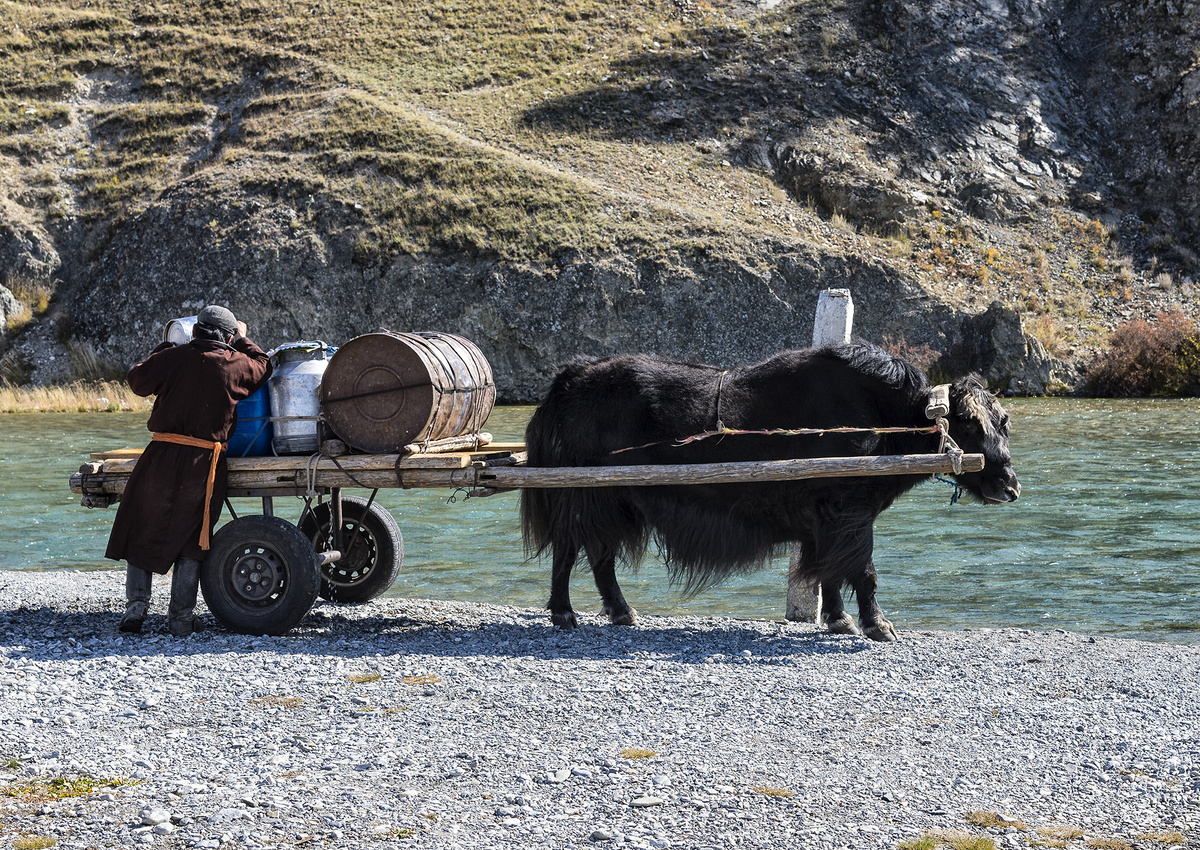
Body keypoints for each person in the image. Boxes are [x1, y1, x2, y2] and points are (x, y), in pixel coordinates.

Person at [106, 305, 273, 636]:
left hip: (162, 455)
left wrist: (166, 345)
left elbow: (136, 379)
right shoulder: (237, 364)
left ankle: (135, 610)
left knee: (142, 526)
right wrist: (242, 339)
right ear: (227, 336)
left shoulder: (173, 357)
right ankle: (180, 619)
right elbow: (265, 366)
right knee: (192, 538)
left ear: (195, 331)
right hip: (204, 462)